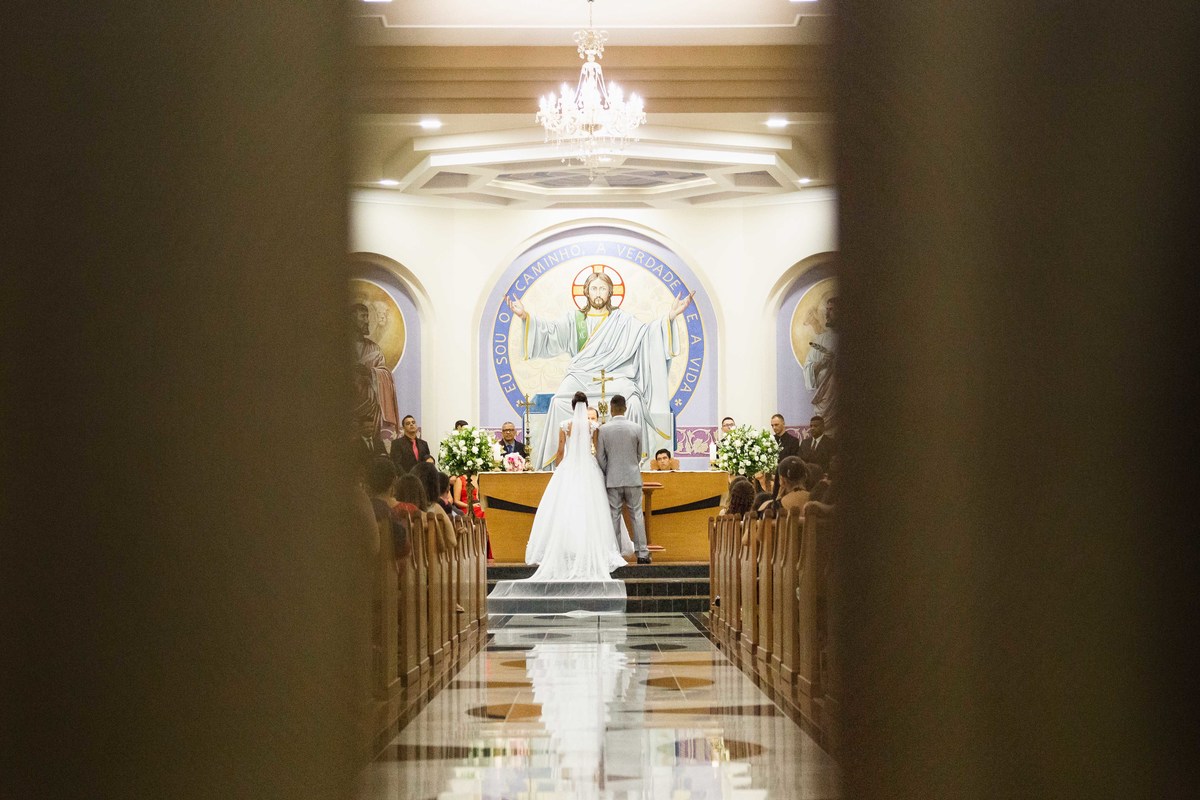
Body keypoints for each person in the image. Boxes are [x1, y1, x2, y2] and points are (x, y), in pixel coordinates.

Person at [506, 270, 695, 470]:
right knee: (558, 402)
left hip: (616, 375)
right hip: (581, 375)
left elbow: (647, 335)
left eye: (603, 289)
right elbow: (550, 333)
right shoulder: (575, 319)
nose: (598, 293)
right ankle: (560, 467)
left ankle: (631, 463)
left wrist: (670, 317)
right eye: (594, 288)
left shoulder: (622, 320)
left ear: (610, 292)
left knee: (633, 401)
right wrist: (525, 317)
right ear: (586, 291)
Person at [523, 391, 632, 578]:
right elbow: (597, 451)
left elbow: (559, 451)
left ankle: (567, 548)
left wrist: (559, 469)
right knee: (592, 508)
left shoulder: (565, 425)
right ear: (586, 405)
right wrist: (600, 468)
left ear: (573, 407)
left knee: (565, 507)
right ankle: (592, 547)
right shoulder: (593, 426)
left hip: (569, 467)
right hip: (589, 468)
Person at [597, 394, 652, 564]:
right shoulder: (636, 428)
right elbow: (639, 454)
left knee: (614, 515)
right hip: (633, 477)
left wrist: (609, 470)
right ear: (625, 408)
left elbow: (601, 456)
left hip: (613, 478)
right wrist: (631, 467)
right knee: (637, 515)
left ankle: (615, 554)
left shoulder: (604, 429)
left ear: (611, 409)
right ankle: (642, 553)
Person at [351, 302, 400, 438]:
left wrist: (370, 372)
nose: (367, 321)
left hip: (371, 408)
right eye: (363, 316)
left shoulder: (374, 349)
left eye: (367, 316)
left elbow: (385, 374)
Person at [801, 295, 837, 429]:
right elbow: (809, 367)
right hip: (824, 398)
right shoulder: (820, 340)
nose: (827, 314)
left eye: (831, 310)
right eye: (826, 310)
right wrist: (822, 362)